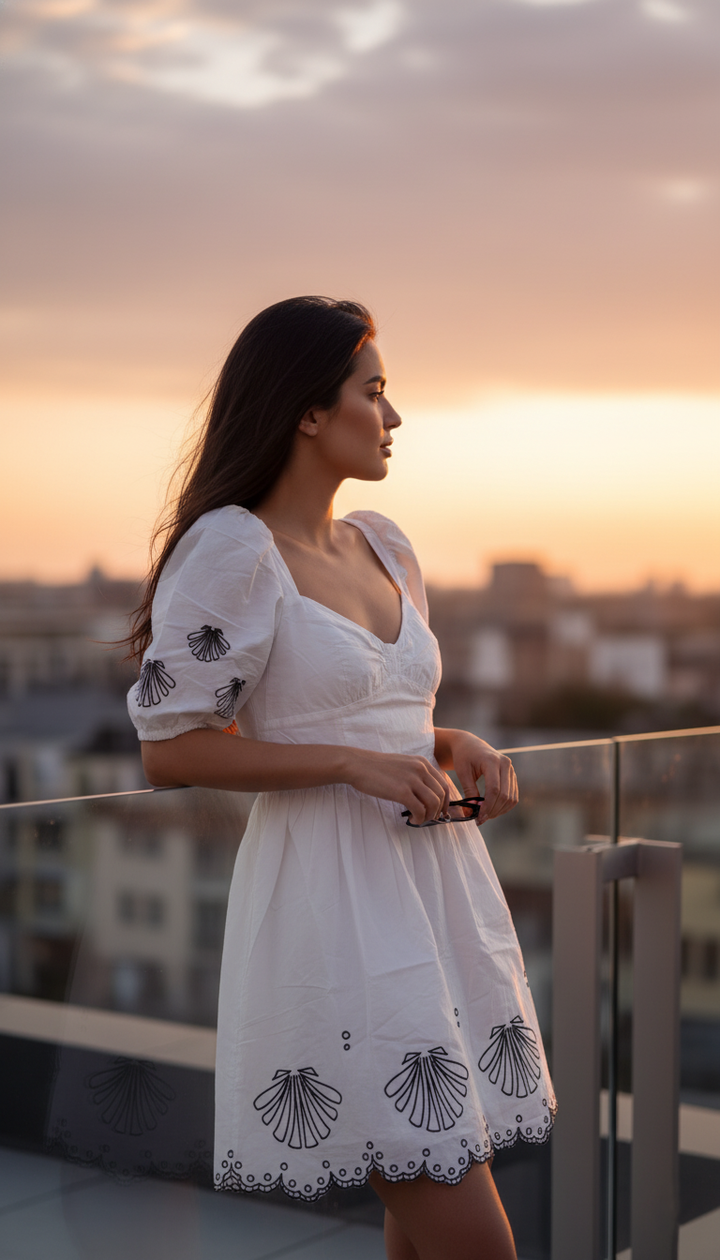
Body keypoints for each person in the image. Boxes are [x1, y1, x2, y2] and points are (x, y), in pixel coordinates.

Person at [126, 296, 556, 1260]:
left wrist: (450, 742)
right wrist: (353, 765)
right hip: (331, 908)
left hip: (432, 892)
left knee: (427, 1215)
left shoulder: (381, 543)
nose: (394, 416)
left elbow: (369, 712)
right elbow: (172, 748)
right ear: (309, 412)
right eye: (375, 391)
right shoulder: (234, 550)